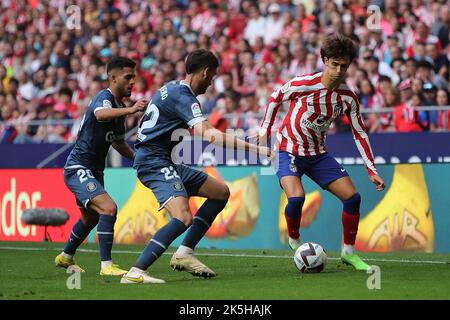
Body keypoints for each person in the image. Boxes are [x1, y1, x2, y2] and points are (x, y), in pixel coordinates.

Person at [121, 49, 272, 284]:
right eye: (211, 77)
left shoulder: (171, 87)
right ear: (204, 72)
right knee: (182, 217)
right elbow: (209, 134)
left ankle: (185, 253)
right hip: (153, 161)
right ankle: (136, 272)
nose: (211, 83)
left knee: (220, 193)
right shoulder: (185, 96)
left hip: (164, 159)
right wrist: (255, 148)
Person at [257, 34, 385, 271]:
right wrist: (264, 129)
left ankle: (348, 253)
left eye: (343, 65)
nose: (338, 70)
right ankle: (294, 240)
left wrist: (372, 170)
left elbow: (360, 133)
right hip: (287, 150)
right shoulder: (303, 84)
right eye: (334, 64)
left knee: (353, 198)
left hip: (317, 154)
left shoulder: (348, 97)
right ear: (325, 60)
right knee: (296, 197)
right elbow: (276, 98)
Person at [55, 57, 148, 275]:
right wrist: (132, 110)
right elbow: (100, 114)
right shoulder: (104, 98)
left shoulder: (119, 107)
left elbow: (117, 141)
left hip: (95, 171)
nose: (132, 82)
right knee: (109, 208)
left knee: (90, 218)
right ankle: (107, 265)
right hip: (78, 168)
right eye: (128, 77)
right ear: (113, 78)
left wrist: (137, 158)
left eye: (133, 77)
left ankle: (65, 257)